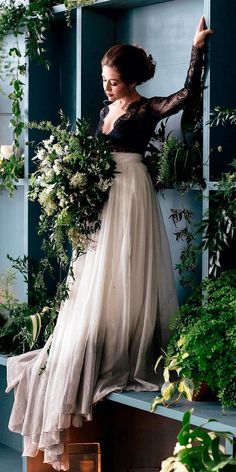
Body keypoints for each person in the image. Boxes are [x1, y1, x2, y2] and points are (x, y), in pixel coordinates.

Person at [6, 16, 212, 472]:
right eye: (104, 80)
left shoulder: (146, 108)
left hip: (132, 193)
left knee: (126, 266)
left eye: (114, 81)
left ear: (132, 79)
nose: (107, 88)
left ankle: (124, 343)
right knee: (95, 268)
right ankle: (95, 337)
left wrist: (198, 50)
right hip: (102, 194)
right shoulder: (104, 111)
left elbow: (188, 95)